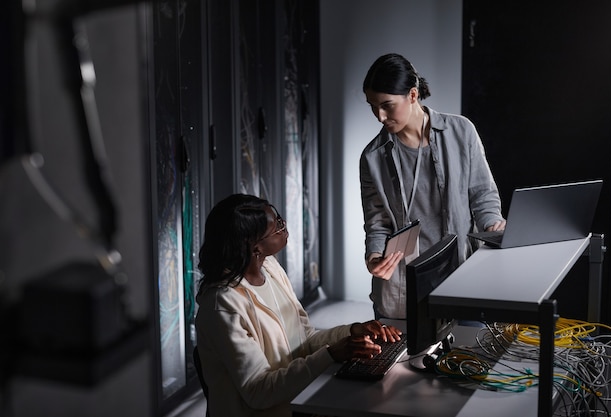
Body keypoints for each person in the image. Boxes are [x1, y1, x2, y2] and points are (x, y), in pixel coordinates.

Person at [194, 194, 402, 417]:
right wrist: (331, 354)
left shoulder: (270, 269)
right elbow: (259, 391)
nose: (285, 227)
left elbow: (305, 341)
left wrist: (354, 331)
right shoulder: (223, 305)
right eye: (278, 227)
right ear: (255, 247)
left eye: (280, 219)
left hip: (299, 400)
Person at [359, 53, 506, 319]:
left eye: (387, 105)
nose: (379, 116)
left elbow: (483, 195)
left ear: (412, 95)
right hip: (402, 286)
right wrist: (375, 256)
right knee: (403, 360)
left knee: (464, 357)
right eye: (372, 106)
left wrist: (493, 224)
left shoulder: (461, 131)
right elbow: (377, 221)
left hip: (460, 275)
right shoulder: (372, 157)